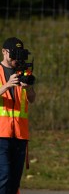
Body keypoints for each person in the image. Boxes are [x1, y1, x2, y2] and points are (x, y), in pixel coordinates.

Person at [0, 37, 36, 194]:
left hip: (20, 134)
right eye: (13, 54)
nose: (16, 59)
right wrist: (7, 85)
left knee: (14, 180)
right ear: (4, 52)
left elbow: (32, 99)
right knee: (4, 176)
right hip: (1, 134)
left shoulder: (25, 72)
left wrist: (28, 88)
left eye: (19, 54)